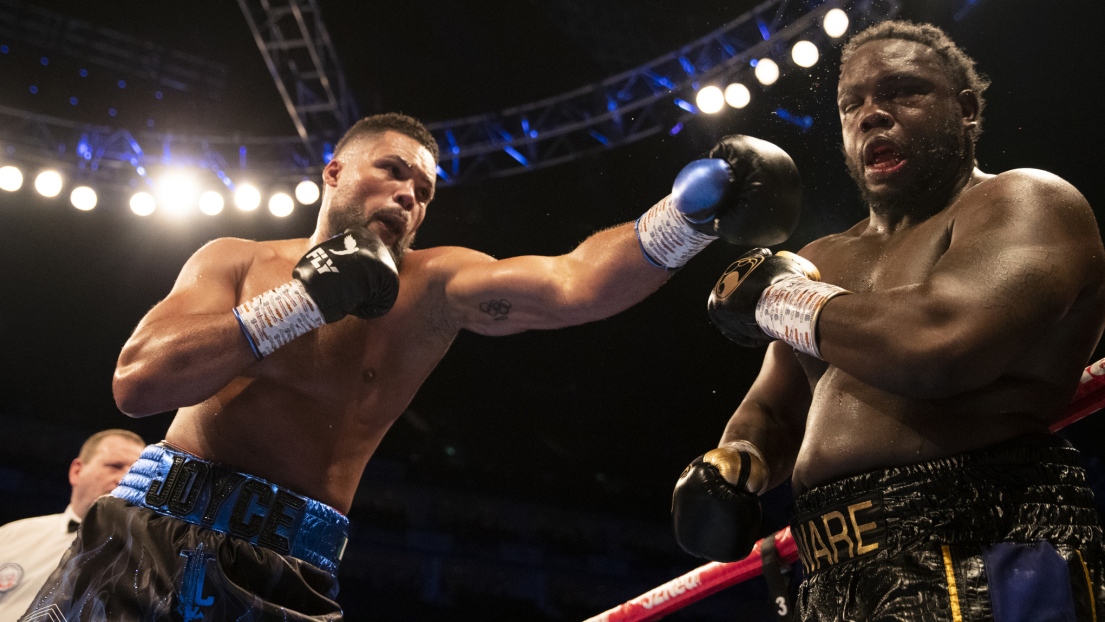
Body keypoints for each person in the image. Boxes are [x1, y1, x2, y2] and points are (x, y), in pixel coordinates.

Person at [21, 113, 803, 621]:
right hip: (153, 527)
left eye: (423, 190)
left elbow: (575, 283)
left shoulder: (433, 287)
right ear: (332, 172)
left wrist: (688, 215)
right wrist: (305, 299)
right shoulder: (235, 259)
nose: (407, 195)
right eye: (391, 172)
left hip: (288, 563)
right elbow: (138, 383)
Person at [671, 20, 1105, 620]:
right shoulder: (821, 259)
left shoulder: (1026, 202)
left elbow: (940, 344)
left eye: (903, 91)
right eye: (853, 103)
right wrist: (733, 464)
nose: (872, 114)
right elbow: (775, 407)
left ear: (966, 109)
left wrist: (777, 300)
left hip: (985, 541)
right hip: (831, 572)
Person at [0, 429, 144, 622]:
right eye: (115, 466)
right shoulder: (11, 536)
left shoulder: (147, 559)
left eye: (136, 472)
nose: (125, 479)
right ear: (77, 471)